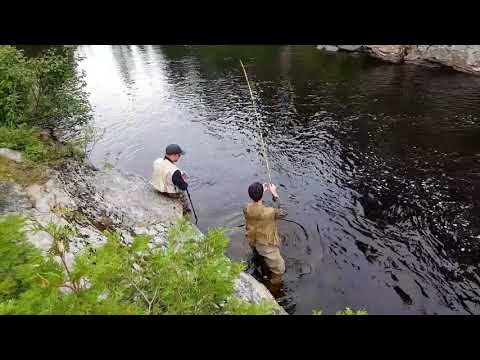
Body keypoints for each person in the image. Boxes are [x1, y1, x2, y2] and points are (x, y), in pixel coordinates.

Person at [243, 181, 287, 296]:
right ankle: (274, 291)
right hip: (266, 245)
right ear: (262, 195)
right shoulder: (269, 212)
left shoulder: (246, 207)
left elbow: (257, 205)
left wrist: (261, 191)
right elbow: (284, 212)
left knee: (259, 258)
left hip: (253, 240)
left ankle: (260, 264)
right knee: (279, 269)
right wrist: (274, 194)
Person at [150, 144, 191, 215]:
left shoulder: (158, 161)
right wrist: (184, 181)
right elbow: (183, 187)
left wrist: (177, 176)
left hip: (156, 186)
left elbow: (165, 171)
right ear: (174, 155)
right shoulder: (175, 171)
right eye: (179, 155)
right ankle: (186, 212)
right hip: (168, 192)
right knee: (183, 197)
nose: (179, 157)